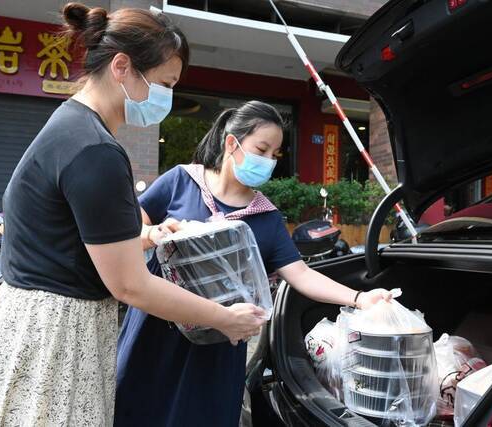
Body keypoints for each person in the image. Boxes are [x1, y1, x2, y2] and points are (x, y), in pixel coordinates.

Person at [0, 4, 265, 426]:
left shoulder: (71, 125)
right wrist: (225, 319)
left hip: (27, 325)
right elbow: (131, 286)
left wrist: (151, 236)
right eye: (165, 84)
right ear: (122, 66)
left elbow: (74, 237)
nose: (167, 98)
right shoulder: (95, 150)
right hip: (54, 339)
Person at [115, 101, 394, 426]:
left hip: (217, 347)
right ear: (231, 143)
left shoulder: (266, 217)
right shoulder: (180, 181)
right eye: (262, 149)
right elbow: (127, 229)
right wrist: (152, 233)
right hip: (157, 329)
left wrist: (360, 298)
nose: (268, 161)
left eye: (275, 154)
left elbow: (300, 275)